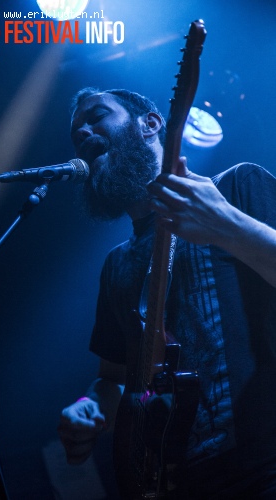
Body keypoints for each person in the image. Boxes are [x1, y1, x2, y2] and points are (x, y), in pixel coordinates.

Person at [58, 87, 276, 499]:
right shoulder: (117, 265)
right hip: (179, 483)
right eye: (76, 133)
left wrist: (228, 225)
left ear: (151, 124)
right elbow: (114, 378)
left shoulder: (235, 187)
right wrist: (90, 406)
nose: (84, 133)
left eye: (98, 116)